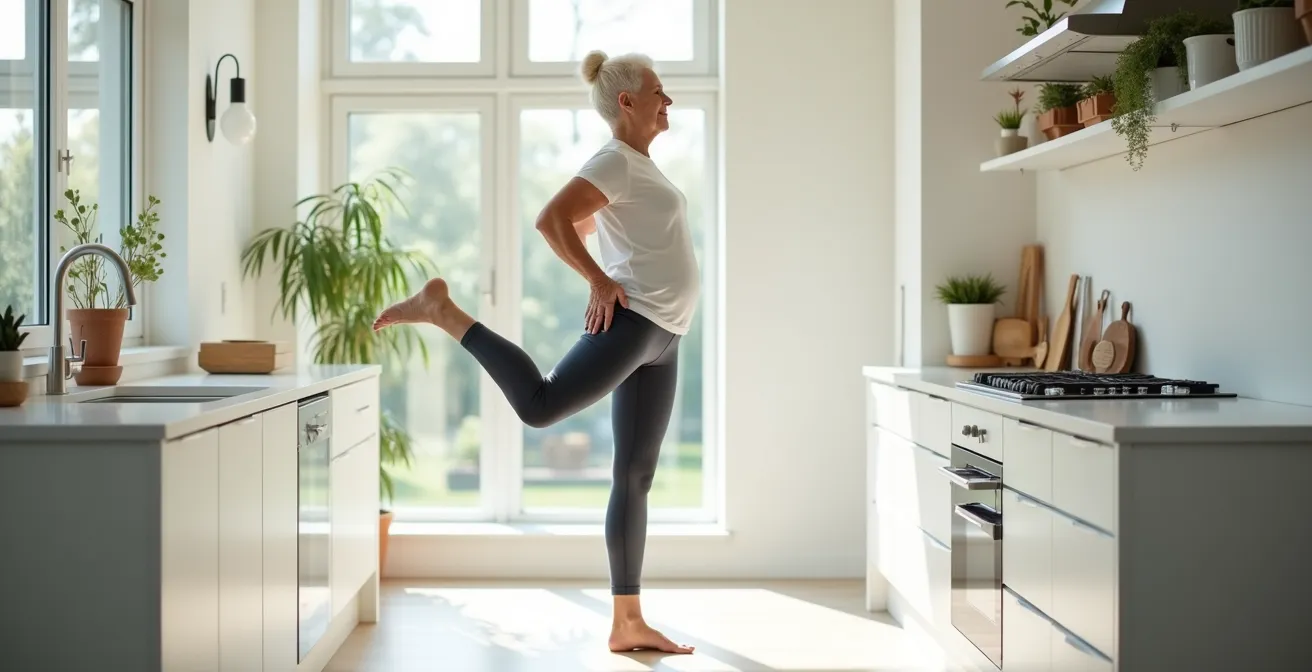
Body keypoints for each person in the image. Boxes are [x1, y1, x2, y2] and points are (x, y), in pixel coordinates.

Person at [372, 49, 699, 655]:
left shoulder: (638, 169)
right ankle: (443, 310)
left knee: (634, 474)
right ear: (626, 102)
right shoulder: (615, 160)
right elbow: (553, 220)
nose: (668, 100)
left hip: (664, 335)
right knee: (540, 405)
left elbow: (598, 226)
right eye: (659, 91)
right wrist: (600, 281)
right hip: (636, 323)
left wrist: (611, 256)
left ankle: (628, 621)